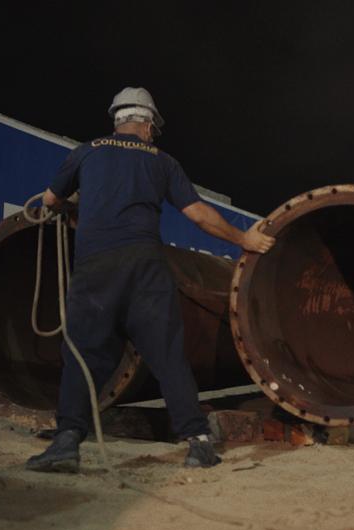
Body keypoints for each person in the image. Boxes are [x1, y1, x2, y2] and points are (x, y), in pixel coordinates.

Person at [26, 87, 276, 473]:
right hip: (145, 267)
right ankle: (198, 443)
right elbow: (197, 214)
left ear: (118, 119)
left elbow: (48, 201)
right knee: (167, 355)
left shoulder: (85, 151)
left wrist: (77, 208)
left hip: (95, 268)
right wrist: (244, 239)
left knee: (82, 354)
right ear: (147, 124)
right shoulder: (162, 161)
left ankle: (66, 443)